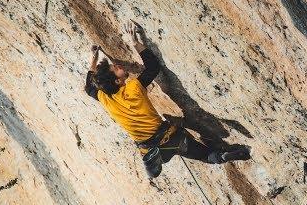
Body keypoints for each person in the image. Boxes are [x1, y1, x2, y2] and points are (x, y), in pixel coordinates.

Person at [84, 20, 250, 178]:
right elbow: (153, 67)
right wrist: (135, 42)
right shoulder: (133, 88)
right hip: (171, 136)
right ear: (118, 81)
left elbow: (89, 88)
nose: (120, 66)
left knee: (206, 157)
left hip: (158, 146)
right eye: (117, 69)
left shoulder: (105, 98)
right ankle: (225, 154)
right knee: (206, 154)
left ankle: (155, 162)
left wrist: (94, 58)